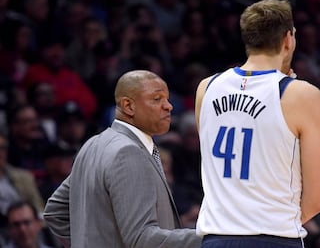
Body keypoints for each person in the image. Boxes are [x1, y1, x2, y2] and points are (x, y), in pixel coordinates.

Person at [194, 0, 320, 248]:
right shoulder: (302, 95)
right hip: (273, 237)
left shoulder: (206, 87)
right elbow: (315, 200)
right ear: (288, 39)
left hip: (216, 237)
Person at [43, 70, 201, 248]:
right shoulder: (128, 152)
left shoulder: (93, 144)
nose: (169, 106)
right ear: (128, 106)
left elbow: (54, 212)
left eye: (167, 99)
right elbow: (141, 238)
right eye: (157, 99)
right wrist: (209, 240)